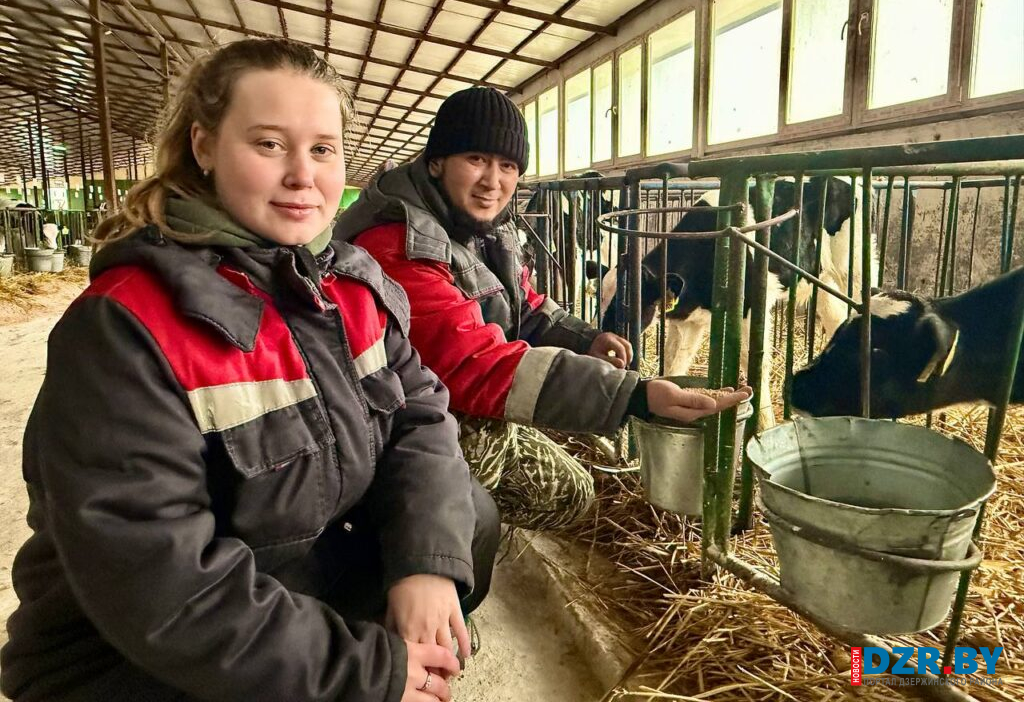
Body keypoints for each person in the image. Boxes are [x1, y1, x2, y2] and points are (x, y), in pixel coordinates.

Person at [0, 39, 499, 702]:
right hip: (129, 657)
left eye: (322, 149)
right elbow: (159, 583)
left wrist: (426, 566)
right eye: (269, 144)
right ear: (204, 146)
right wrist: (364, 671)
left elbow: (422, 415)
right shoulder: (125, 327)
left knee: (470, 519)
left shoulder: (346, 287)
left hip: (288, 573)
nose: (302, 175)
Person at [334, 87, 750, 531]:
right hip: (391, 427)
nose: (493, 181)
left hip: (445, 400)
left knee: (570, 492)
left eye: (508, 166)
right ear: (437, 162)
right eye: (476, 158)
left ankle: (471, 527)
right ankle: (418, 540)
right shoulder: (399, 243)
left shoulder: (481, 227)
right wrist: (633, 395)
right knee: (497, 475)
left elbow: (522, 303)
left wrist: (585, 338)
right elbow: (473, 364)